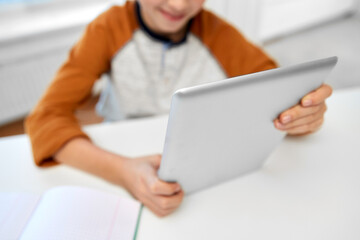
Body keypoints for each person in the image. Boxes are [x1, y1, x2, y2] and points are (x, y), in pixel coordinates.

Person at [25, 0, 332, 217]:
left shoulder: (217, 32)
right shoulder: (107, 29)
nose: (178, 5)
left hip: (202, 168)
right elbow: (44, 119)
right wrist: (121, 172)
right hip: (123, 155)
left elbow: (278, 90)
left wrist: (304, 114)